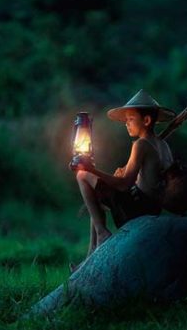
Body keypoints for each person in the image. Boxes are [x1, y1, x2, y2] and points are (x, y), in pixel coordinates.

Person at [72, 89, 175, 271]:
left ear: (147, 120)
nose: (126, 124)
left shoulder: (141, 144)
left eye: (130, 119)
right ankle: (90, 257)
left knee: (81, 175)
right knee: (96, 206)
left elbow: (124, 184)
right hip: (152, 207)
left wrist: (91, 169)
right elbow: (149, 180)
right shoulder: (163, 145)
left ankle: (103, 233)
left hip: (137, 208)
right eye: (126, 120)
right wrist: (123, 174)